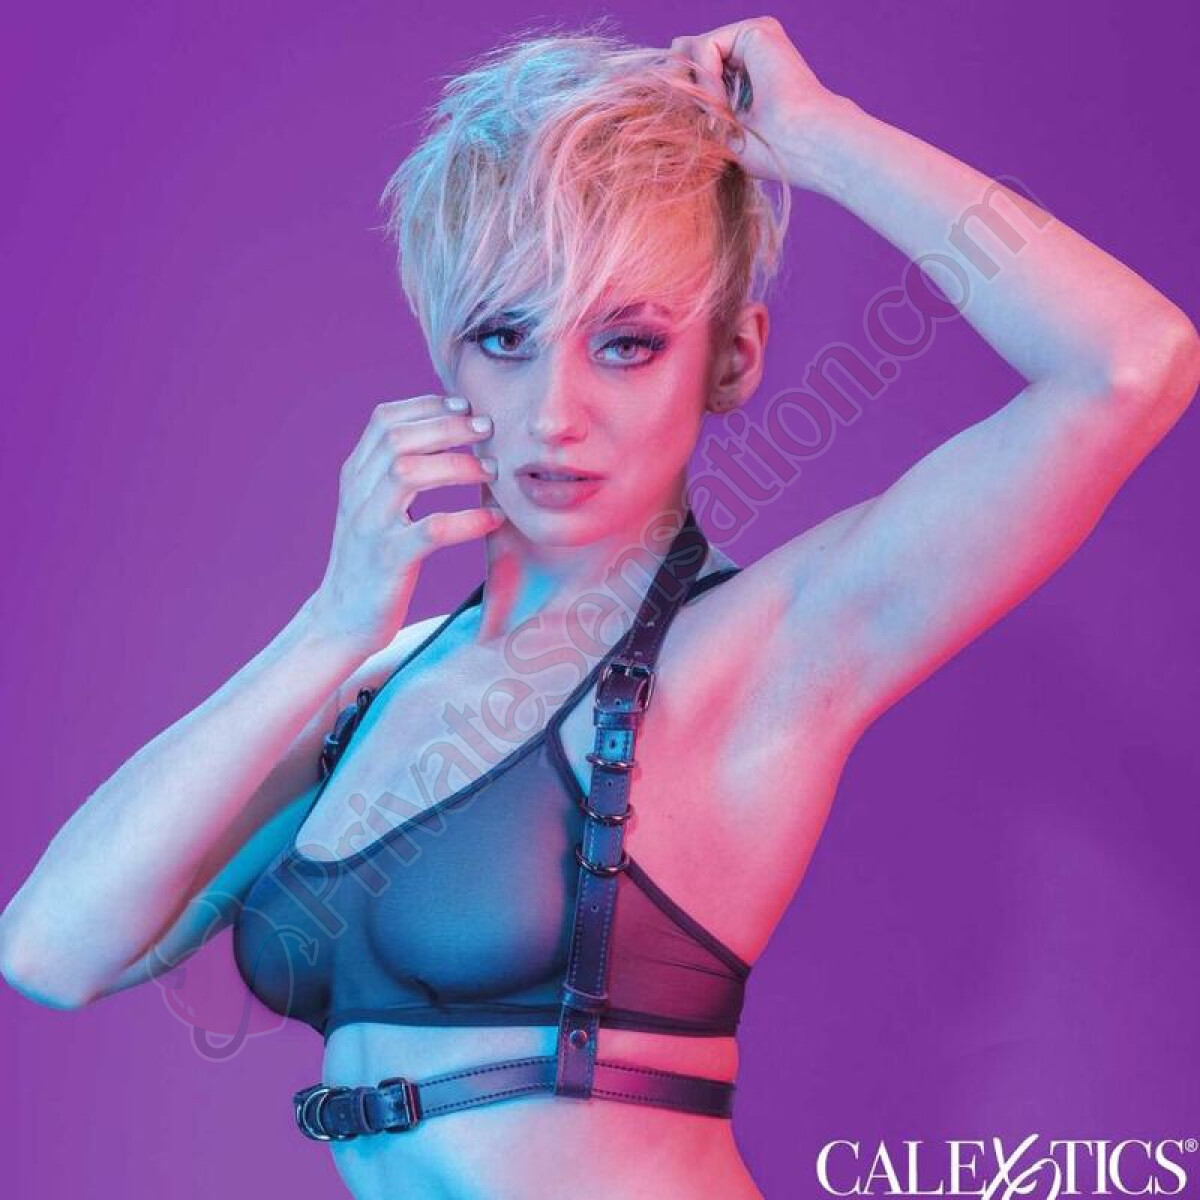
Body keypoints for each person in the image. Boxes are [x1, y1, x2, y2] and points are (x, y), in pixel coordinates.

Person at [2, 16, 1197, 1200]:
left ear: (733, 358)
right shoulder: (374, 683)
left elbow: (1128, 364)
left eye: (625, 344)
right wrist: (332, 624)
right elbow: (51, 952)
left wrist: (820, 137)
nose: (554, 413)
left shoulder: (758, 648)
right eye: (504, 337)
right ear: (445, 357)